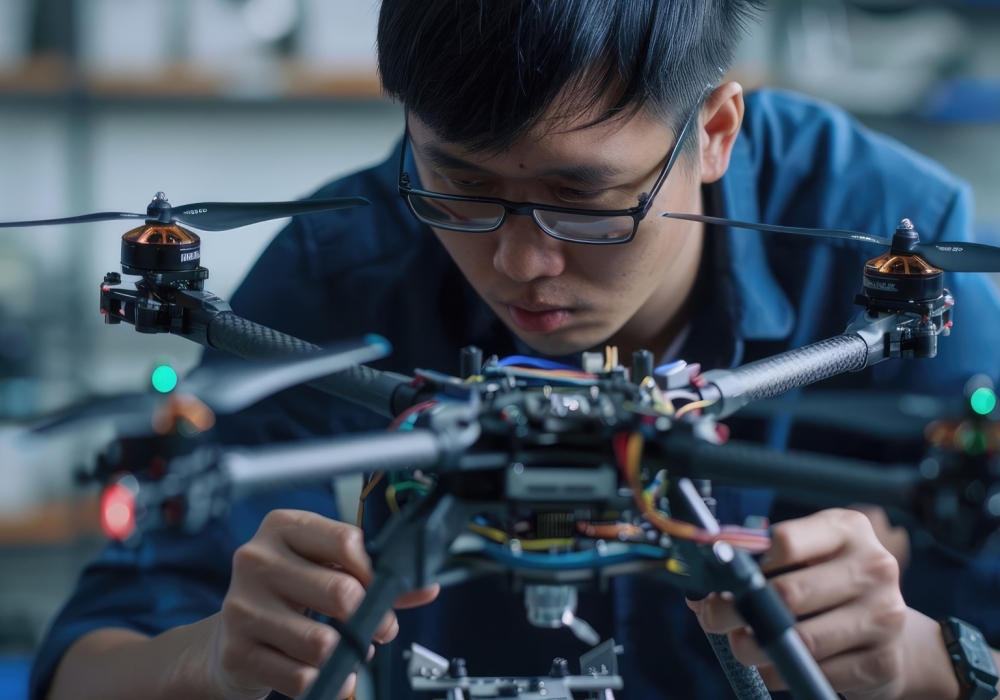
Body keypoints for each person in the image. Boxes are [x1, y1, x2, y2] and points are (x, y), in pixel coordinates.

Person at [31, 1, 1000, 699]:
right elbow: (85, 660)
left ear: (713, 132)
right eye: (457, 183)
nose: (520, 260)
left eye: (583, 200)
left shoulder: (881, 242)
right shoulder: (344, 264)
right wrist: (207, 660)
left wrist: (926, 663)